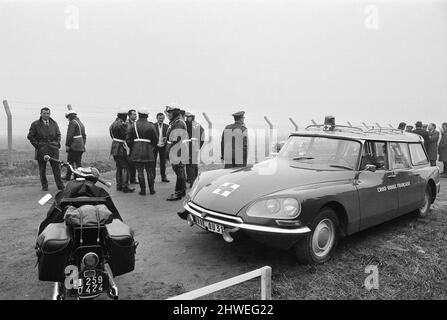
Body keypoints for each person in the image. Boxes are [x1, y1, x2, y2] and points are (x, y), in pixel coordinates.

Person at [27, 107, 64, 191]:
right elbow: (30, 136)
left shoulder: (54, 123)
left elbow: (58, 134)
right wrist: (38, 145)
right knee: (42, 169)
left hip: (53, 149)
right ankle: (44, 186)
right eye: (44, 113)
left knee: (56, 167)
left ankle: (60, 186)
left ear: (49, 114)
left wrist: (57, 144)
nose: (46, 115)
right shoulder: (35, 124)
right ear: (41, 114)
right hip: (41, 149)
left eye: (48, 113)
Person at [127, 108, 157, 195]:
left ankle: (143, 190)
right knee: (150, 171)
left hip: (137, 151)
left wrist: (134, 147)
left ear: (139, 115)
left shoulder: (133, 125)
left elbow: (128, 139)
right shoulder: (151, 125)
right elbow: (155, 140)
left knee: (140, 172)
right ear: (147, 115)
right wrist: (151, 147)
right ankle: (152, 190)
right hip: (148, 151)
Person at [109, 109, 135, 193]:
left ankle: (119, 185)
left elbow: (112, 135)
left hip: (114, 146)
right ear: (123, 116)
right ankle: (125, 186)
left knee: (119, 167)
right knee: (126, 167)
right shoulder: (122, 125)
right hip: (120, 147)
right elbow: (125, 136)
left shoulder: (113, 124)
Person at [165, 105, 187, 201]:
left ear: (175, 113)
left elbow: (176, 139)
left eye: (170, 112)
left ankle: (178, 193)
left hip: (177, 150)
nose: (168, 114)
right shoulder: (175, 122)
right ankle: (182, 191)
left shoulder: (178, 123)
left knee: (179, 171)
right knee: (180, 171)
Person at [64, 110, 86, 180]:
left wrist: (67, 145)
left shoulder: (72, 122)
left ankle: (68, 176)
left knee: (70, 161)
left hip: (74, 146)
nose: (68, 119)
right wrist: (82, 144)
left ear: (69, 116)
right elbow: (84, 136)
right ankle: (78, 176)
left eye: (68, 117)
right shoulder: (80, 123)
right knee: (78, 162)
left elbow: (70, 135)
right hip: (81, 146)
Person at [185, 112, 205, 187]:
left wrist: (199, 146)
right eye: (186, 117)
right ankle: (193, 179)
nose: (187, 118)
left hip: (191, 147)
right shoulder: (196, 125)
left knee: (191, 165)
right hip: (191, 147)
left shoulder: (192, 125)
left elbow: (202, 137)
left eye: (189, 117)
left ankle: (192, 181)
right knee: (193, 164)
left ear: (192, 117)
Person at [153, 112, 170, 182]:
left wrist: (167, 138)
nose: (161, 119)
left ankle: (163, 177)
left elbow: (169, 136)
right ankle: (152, 178)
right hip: (155, 146)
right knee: (153, 162)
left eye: (162, 118)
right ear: (157, 118)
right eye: (159, 118)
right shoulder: (153, 126)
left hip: (163, 146)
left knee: (163, 162)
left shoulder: (167, 126)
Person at [126, 109, 138, 184]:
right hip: (128, 146)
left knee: (133, 163)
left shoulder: (135, 123)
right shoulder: (127, 123)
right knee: (128, 163)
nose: (135, 115)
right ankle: (127, 180)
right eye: (134, 114)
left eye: (136, 114)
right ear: (129, 115)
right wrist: (130, 145)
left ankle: (132, 179)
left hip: (134, 146)